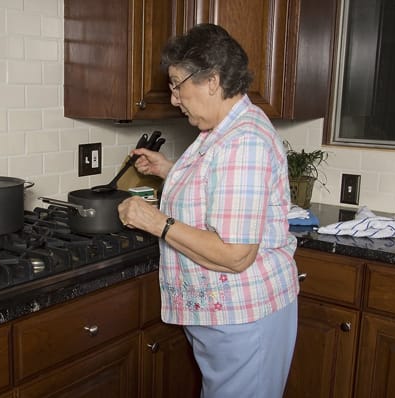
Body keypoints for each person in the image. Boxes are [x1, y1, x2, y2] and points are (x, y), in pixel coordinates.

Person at [117, 23, 299, 398]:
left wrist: (156, 222)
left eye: (177, 84)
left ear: (211, 81)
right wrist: (170, 169)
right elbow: (218, 186)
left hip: (246, 318)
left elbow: (234, 255)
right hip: (228, 318)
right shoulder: (222, 132)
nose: (173, 98)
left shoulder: (243, 141)